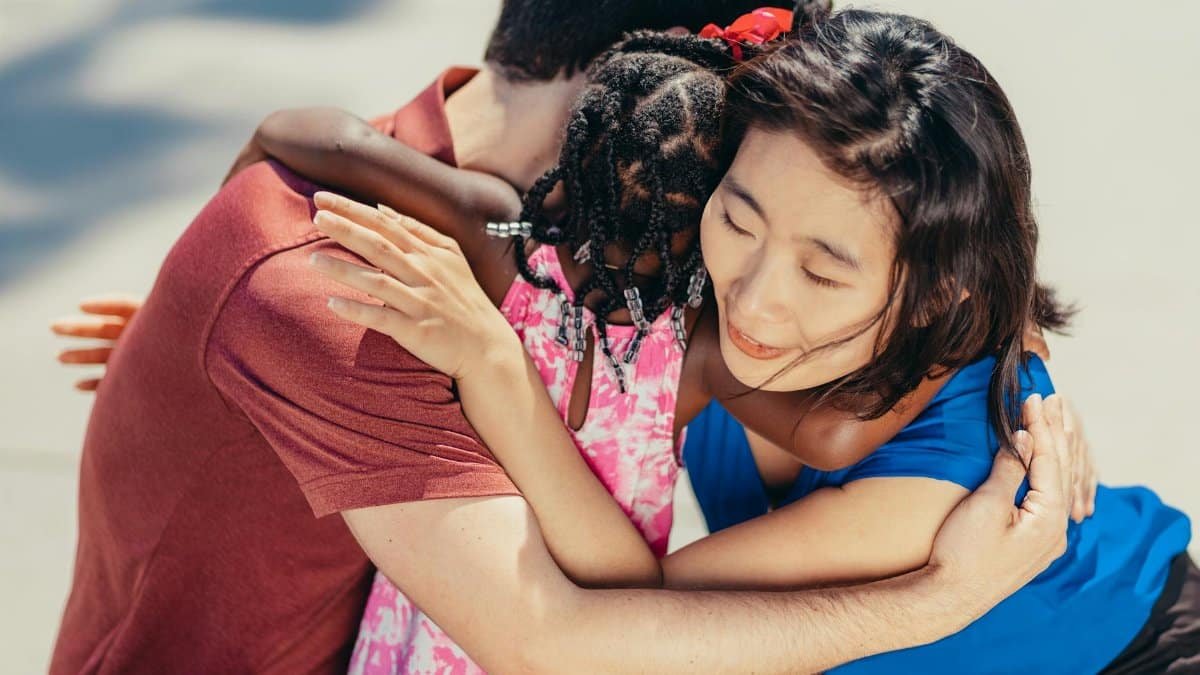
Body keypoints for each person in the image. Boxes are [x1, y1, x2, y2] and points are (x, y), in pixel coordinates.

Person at [50, 2, 1079, 673]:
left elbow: (316, 140)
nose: (763, 299)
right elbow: (555, 640)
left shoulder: (543, 254)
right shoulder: (363, 281)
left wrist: (1002, 345)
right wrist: (940, 596)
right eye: (733, 188)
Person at [305, 8, 1195, 674]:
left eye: (823, 274)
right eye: (739, 218)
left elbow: (632, 621)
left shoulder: (944, 491)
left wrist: (496, 368)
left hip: (1127, 650)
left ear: (935, 293)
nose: (755, 304)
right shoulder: (694, 251)